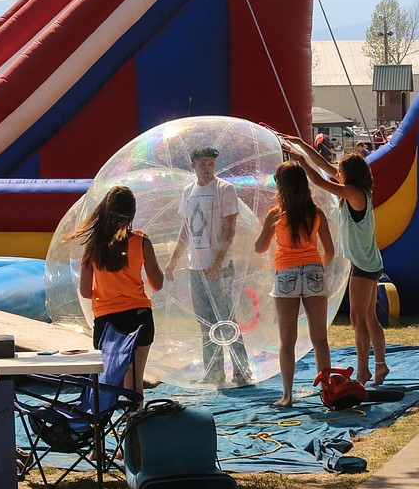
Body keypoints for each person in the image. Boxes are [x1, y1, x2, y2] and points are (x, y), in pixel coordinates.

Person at [280, 133, 390, 386]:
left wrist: (300, 161)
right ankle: (380, 365)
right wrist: (300, 143)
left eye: (340, 171)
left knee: (358, 319)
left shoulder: (353, 193)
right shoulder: (355, 188)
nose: (336, 172)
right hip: (370, 262)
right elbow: (325, 167)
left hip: (363, 264)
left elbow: (319, 180)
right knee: (369, 318)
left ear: (349, 175)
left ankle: (364, 371)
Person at [165, 145, 254, 388]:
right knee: (204, 323)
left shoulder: (224, 189)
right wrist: (174, 260)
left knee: (226, 320)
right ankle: (214, 372)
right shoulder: (188, 191)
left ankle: (241, 371)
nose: (207, 169)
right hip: (196, 267)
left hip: (220, 267)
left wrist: (218, 261)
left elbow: (230, 227)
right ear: (193, 165)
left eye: (211, 164)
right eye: (203, 164)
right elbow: (186, 228)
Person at [68, 185, 163, 395]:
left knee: (109, 382)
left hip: (107, 320)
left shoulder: (93, 246)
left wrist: (107, 286)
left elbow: (85, 291)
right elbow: (157, 284)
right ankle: (135, 424)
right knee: (135, 383)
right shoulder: (141, 242)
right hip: (139, 316)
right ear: (132, 213)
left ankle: (107, 424)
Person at [254, 162, 335, 407]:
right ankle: (327, 391)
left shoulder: (276, 214)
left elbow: (260, 247)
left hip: (286, 273)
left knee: (287, 340)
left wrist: (268, 227)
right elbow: (330, 252)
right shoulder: (317, 213)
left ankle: (287, 395)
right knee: (320, 338)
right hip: (313, 271)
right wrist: (316, 268)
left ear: (282, 187)